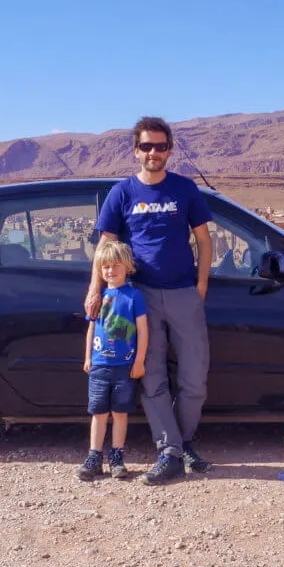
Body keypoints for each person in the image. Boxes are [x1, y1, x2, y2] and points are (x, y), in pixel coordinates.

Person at [86, 116, 214, 486]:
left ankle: (181, 442)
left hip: (182, 293)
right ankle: (170, 451)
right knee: (151, 376)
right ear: (136, 151)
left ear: (169, 150)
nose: (153, 152)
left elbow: (204, 240)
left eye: (160, 146)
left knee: (195, 379)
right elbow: (105, 247)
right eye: (146, 146)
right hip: (138, 298)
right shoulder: (122, 193)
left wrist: (201, 285)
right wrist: (95, 289)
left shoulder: (185, 189)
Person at [76, 240, 148, 481]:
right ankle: (94, 457)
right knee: (98, 413)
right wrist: (88, 357)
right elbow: (91, 329)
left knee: (119, 413)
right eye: (105, 266)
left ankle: (117, 457)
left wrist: (139, 361)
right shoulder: (99, 296)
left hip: (124, 367)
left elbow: (142, 330)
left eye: (116, 265)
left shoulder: (134, 296)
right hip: (99, 366)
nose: (110, 271)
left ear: (127, 266)